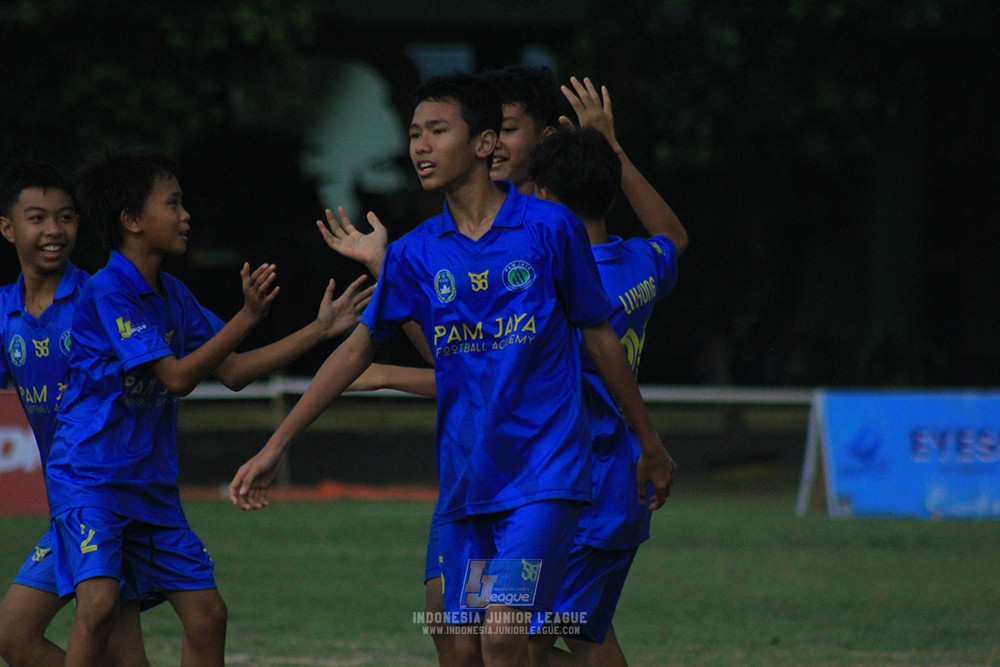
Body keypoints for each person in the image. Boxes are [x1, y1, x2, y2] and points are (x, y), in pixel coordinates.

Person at [230, 71, 675, 667]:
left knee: (504, 635)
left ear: (485, 142)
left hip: (544, 480)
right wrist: (275, 446)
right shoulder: (416, 253)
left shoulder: (550, 230)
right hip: (469, 486)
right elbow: (357, 351)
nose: (421, 145)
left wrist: (649, 443)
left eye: (438, 131)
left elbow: (600, 339)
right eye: (415, 133)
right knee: (465, 648)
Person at [42, 147, 372, 667]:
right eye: (173, 203)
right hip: (91, 479)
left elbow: (233, 371)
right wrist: (247, 316)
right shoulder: (108, 292)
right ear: (132, 220)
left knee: (207, 615)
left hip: (149, 486)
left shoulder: (172, 294)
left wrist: (320, 329)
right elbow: (176, 378)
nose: (186, 215)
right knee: (99, 607)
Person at [539, 78, 688, 667]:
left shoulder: (559, 290)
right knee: (587, 637)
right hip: (618, 489)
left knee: (499, 647)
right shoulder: (639, 263)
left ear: (545, 197)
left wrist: (380, 373)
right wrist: (612, 147)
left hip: (582, 492)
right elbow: (673, 235)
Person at [0, 160, 152, 667]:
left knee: (104, 640)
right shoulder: (4, 312)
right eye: (37, 218)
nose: (53, 230)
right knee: (14, 638)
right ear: (8, 228)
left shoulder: (98, 298)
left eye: (65, 217)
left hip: (108, 496)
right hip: (70, 502)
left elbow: (153, 377)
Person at [480, 65, 562, 194]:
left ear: (546, 138)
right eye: (483, 130)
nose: (492, 142)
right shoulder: (454, 204)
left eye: (507, 129)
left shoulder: (566, 205)